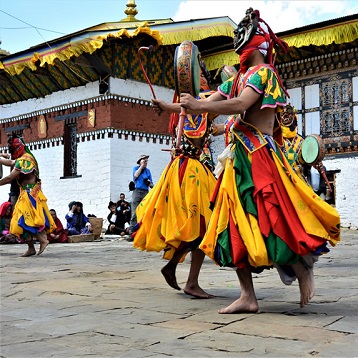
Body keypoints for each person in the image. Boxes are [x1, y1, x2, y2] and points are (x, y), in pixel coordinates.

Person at [152, 8, 340, 312]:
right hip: (238, 158)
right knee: (231, 223)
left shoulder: (265, 73)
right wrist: (170, 107)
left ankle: (302, 268)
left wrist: (197, 104)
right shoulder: (238, 77)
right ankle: (247, 296)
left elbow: (240, 104)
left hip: (259, 157)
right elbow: (211, 102)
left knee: (272, 217)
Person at [133, 61, 219, 298]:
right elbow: (218, 106)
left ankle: (179, 272)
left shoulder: (186, 103)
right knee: (203, 225)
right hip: (191, 171)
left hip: (181, 168)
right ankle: (188, 279)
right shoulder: (201, 99)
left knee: (198, 226)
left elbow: (210, 124)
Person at [0, 134, 56, 256]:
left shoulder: (25, 160)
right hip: (25, 193)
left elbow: (10, 177)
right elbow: (10, 162)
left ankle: (42, 240)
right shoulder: (25, 158)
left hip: (30, 195)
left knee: (23, 221)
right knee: (20, 220)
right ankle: (31, 247)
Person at [129, 155, 153, 236]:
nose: (146, 163)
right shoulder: (136, 168)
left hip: (145, 191)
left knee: (145, 211)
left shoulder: (148, 171)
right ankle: (132, 231)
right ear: (140, 162)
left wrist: (149, 183)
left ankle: (144, 231)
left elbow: (152, 185)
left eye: (146, 161)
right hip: (137, 191)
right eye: (144, 161)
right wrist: (141, 166)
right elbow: (135, 176)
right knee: (134, 212)